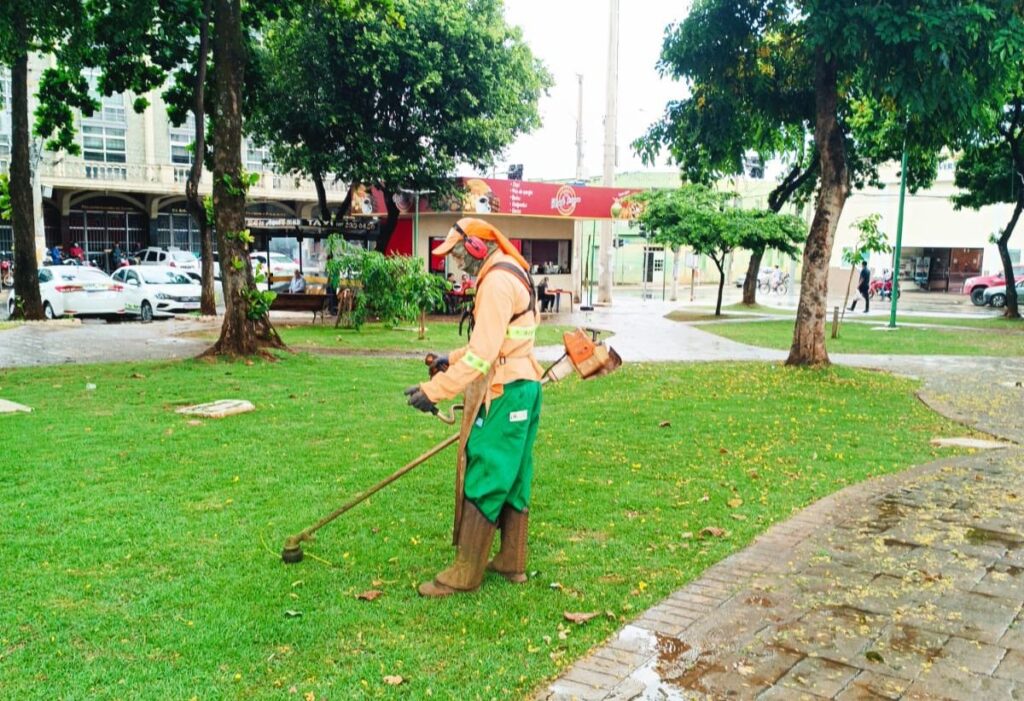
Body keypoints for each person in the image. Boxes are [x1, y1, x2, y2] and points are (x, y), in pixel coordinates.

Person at [405, 217, 542, 598]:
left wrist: (434, 391)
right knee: (514, 474)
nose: (456, 262)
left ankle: (466, 572)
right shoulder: (512, 270)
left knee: (486, 466)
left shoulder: (496, 283)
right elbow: (494, 342)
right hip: (524, 386)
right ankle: (511, 562)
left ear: (479, 247)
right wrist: (451, 358)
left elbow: (483, 358)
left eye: (458, 253)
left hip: (505, 391)